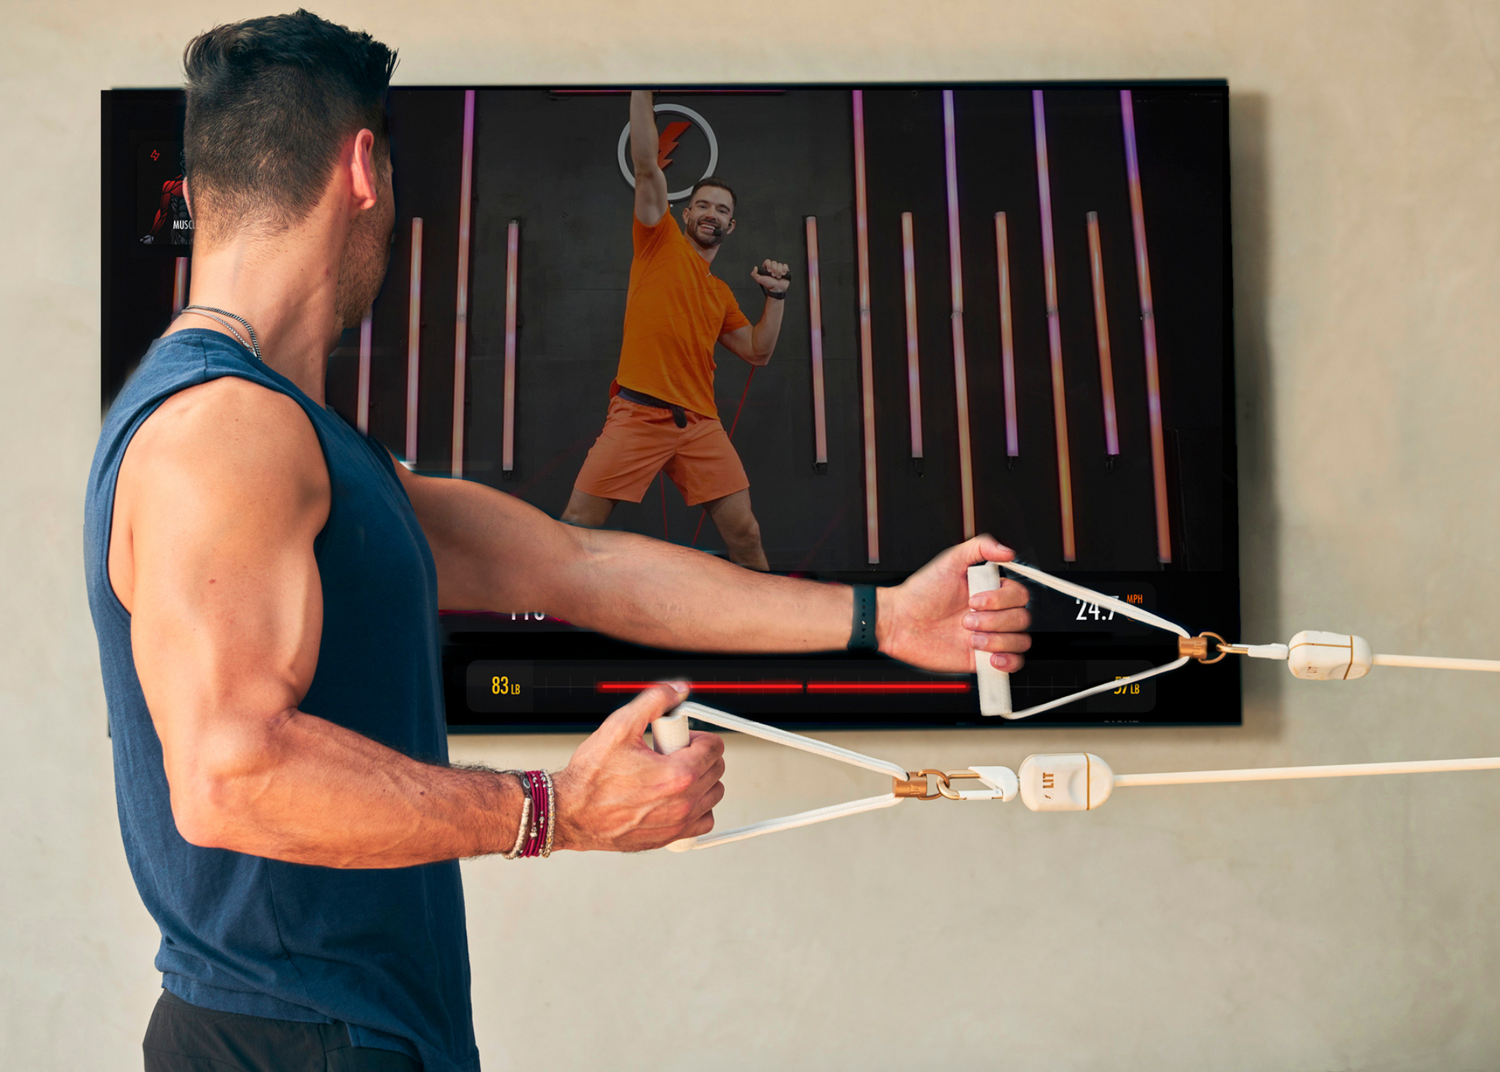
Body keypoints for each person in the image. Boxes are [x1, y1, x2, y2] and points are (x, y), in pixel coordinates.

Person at [84, 12, 1032, 1072]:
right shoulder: (223, 434)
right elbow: (230, 774)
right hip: (288, 1041)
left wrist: (886, 615)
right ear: (364, 169)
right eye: (393, 181)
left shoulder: (294, 439)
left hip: (351, 1034)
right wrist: (554, 812)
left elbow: (578, 566)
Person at [561, 90, 786, 570]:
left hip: (699, 426)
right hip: (638, 414)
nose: (711, 213)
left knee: (746, 532)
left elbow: (759, 351)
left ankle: (771, 637)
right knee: (576, 524)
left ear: (732, 225)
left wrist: (777, 297)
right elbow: (647, 167)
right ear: (685, 214)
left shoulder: (721, 293)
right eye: (703, 205)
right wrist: (641, 85)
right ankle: (545, 626)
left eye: (722, 210)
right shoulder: (658, 240)